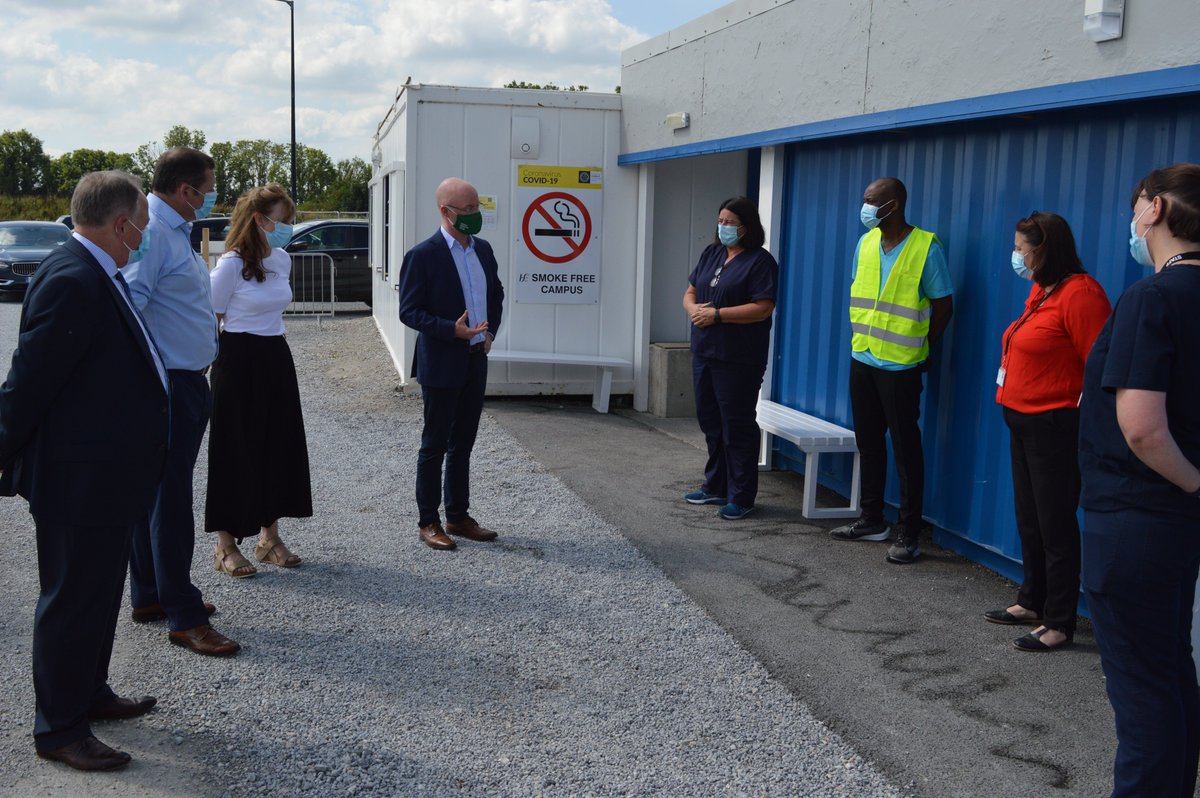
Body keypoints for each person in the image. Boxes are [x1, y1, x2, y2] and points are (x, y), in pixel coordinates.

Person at [0, 171, 168, 770]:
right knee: (72, 601)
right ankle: (60, 729)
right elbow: (28, 384)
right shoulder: (74, 277)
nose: (144, 238)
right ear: (120, 225)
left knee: (99, 595)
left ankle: (90, 692)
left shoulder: (94, 268)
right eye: (142, 228)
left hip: (107, 475)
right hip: (80, 479)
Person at [1079, 163, 1200, 797]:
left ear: (1154, 210)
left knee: (1144, 695)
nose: (1133, 219)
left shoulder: (1151, 298)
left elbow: (1142, 428)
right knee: (1171, 674)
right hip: (1175, 529)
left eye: (1137, 207)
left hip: (1135, 519)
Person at [123, 146, 237, 656]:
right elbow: (131, 308)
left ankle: (151, 594)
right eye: (209, 186)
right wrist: (157, 378)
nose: (214, 194)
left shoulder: (172, 230)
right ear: (186, 190)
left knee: (156, 493)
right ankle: (183, 615)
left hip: (182, 380)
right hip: (169, 384)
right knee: (171, 501)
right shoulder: (151, 230)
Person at [984, 212, 1110, 651]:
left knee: (1055, 522)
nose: (1016, 255)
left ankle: (1059, 621)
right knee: (1030, 517)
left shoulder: (1082, 294)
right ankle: (1032, 600)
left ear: (1045, 249)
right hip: (1021, 418)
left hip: (1054, 425)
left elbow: (1099, 366)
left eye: (1022, 248)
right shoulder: (1042, 288)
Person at [830, 177, 953, 564]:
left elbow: (943, 306)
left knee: (905, 449)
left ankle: (909, 533)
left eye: (871, 201)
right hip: (863, 356)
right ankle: (871, 519)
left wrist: (924, 346)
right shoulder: (865, 243)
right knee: (868, 441)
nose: (864, 207)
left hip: (900, 366)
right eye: (864, 199)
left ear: (894, 204)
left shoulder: (925, 248)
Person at [206, 183, 312, 573]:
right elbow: (211, 316)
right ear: (259, 219)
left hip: (274, 355)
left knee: (276, 445)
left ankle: (270, 539)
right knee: (234, 448)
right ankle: (225, 546)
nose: (286, 227)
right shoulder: (230, 264)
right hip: (237, 358)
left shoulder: (281, 259)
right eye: (282, 220)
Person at [397, 177, 504, 551]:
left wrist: (489, 334)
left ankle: (458, 516)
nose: (477, 215)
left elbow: (496, 295)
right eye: (469, 210)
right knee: (435, 445)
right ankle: (429, 521)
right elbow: (409, 311)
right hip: (442, 362)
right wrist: (451, 330)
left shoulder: (484, 250)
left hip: (476, 361)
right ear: (446, 212)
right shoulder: (423, 255)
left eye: (478, 207)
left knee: (464, 443)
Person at [680, 196, 778, 519]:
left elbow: (762, 307)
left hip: (738, 359)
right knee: (710, 421)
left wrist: (719, 316)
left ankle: (742, 495)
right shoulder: (712, 253)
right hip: (705, 352)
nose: (722, 227)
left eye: (729, 222)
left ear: (746, 227)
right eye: (720, 221)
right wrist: (693, 309)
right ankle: (715, 486)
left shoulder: (760, 262)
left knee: (736, 424)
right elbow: (691, 290)